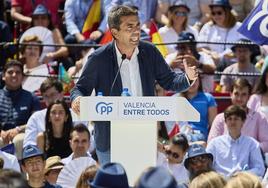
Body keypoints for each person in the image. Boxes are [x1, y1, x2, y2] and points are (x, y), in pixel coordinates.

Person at [71, 5, 198, 165]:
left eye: (137, 25)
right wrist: (77, 99)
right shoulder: (98, 58)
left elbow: (170, 81)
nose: (136, 30)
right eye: (129, 26)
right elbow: (80, 89)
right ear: (114, 32)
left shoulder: (150, 52)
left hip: (142, 134)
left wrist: (188, 77)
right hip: (110, 139)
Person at [208, 78, 268, 153]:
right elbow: (211, 143)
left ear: (249, 97)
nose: (239, 98)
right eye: (236, 94)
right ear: (231, 94)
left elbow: (266, 143)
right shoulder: (220, 118)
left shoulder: (259, 117)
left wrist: (249, 148)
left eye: (243, 94)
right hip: (225, 159)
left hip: (250, 159)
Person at [207, 105, 265, 178]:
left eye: (236, 119)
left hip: (243, 181)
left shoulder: (252, 144)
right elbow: (207, 167)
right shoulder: (214, 144)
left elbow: (259, 168)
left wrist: (243, 174)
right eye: (229, 119)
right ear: (225, 122)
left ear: (243, 121)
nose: (232, 122)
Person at [0, 60, 40, 158]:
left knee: (19, 140)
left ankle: (19, 173)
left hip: (22, 134)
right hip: (2, 134)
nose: (14, 75)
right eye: (10, 72)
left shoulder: (31, 97)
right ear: (3, 76)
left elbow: (36, 121)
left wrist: (19, 129)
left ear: (22, 77)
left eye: (18, 72)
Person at [198, 0, 243, 64]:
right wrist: (211, 53)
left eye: (219, 13)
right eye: (213, 13)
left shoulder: (239, 27)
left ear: (227, 13)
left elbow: (247, 48)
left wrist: (233, 54)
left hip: (234, 65)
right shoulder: (208, 27)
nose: (216, 16)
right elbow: (200, 47)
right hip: (211, 65)